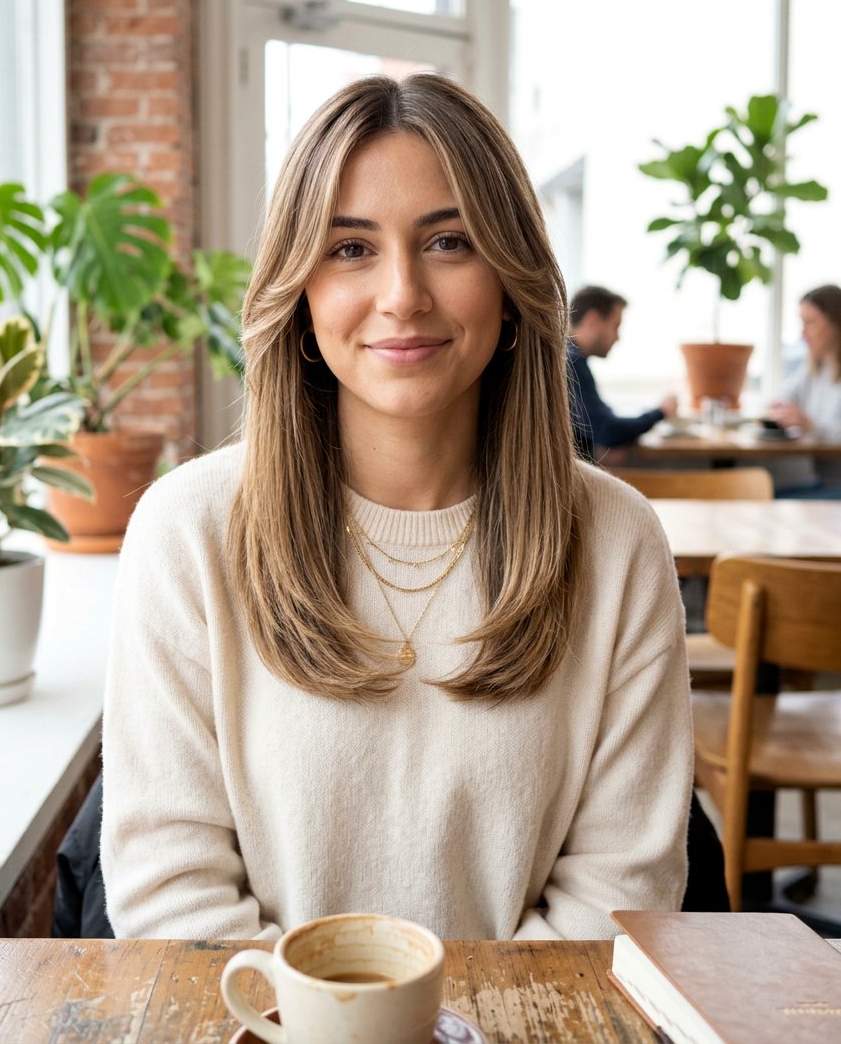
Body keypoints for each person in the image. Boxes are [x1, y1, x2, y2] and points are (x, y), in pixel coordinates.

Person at [101, 74, 693, 943]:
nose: (403, 294)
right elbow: (172, 904)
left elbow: (617, 903)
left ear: (511, 281)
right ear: (299, 294)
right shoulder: (184, 533)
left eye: (449, 241)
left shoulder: (617, 541)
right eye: (350, 249)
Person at [567, 286, 678, 463]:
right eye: (615, 326)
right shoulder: (572, 363)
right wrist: (660, 412)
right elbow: (608, 432)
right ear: (593, 320)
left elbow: (599, 422)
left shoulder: (567, 356)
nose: (618, 337)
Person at [766, 283, 841, 498]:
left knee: (771, 500)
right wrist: (781, 409)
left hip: (836, 490)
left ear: (836, 323)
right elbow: (786, 395)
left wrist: (812, 426)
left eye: (810, 322)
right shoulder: (814, 367)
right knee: (766, 495)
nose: (803, 332)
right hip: (822, 482)